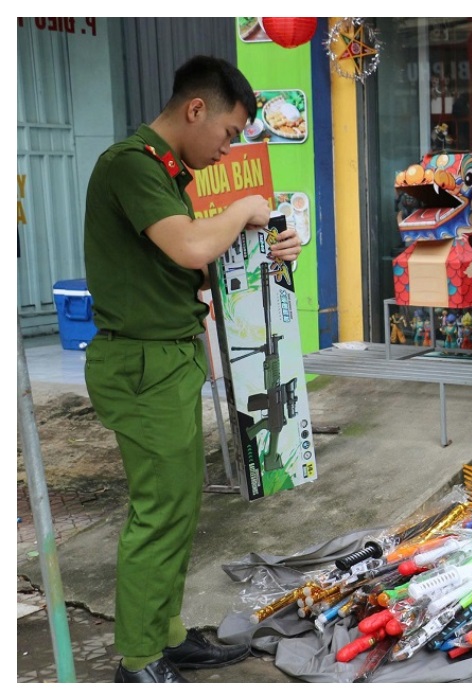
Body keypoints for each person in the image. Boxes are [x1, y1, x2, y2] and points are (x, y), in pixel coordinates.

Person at [83, 55, 302, 683]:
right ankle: (137, 659)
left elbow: (201, 264)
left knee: (179, 505)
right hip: (141, 362)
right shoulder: (130, 165)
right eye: (230, 134)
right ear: (196, 109)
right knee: (159, 510)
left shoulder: (167, 176)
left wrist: (272, 242)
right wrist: (244, 210)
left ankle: (167, 634)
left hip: (170, 358)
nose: (228, 149)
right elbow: (192, 245)